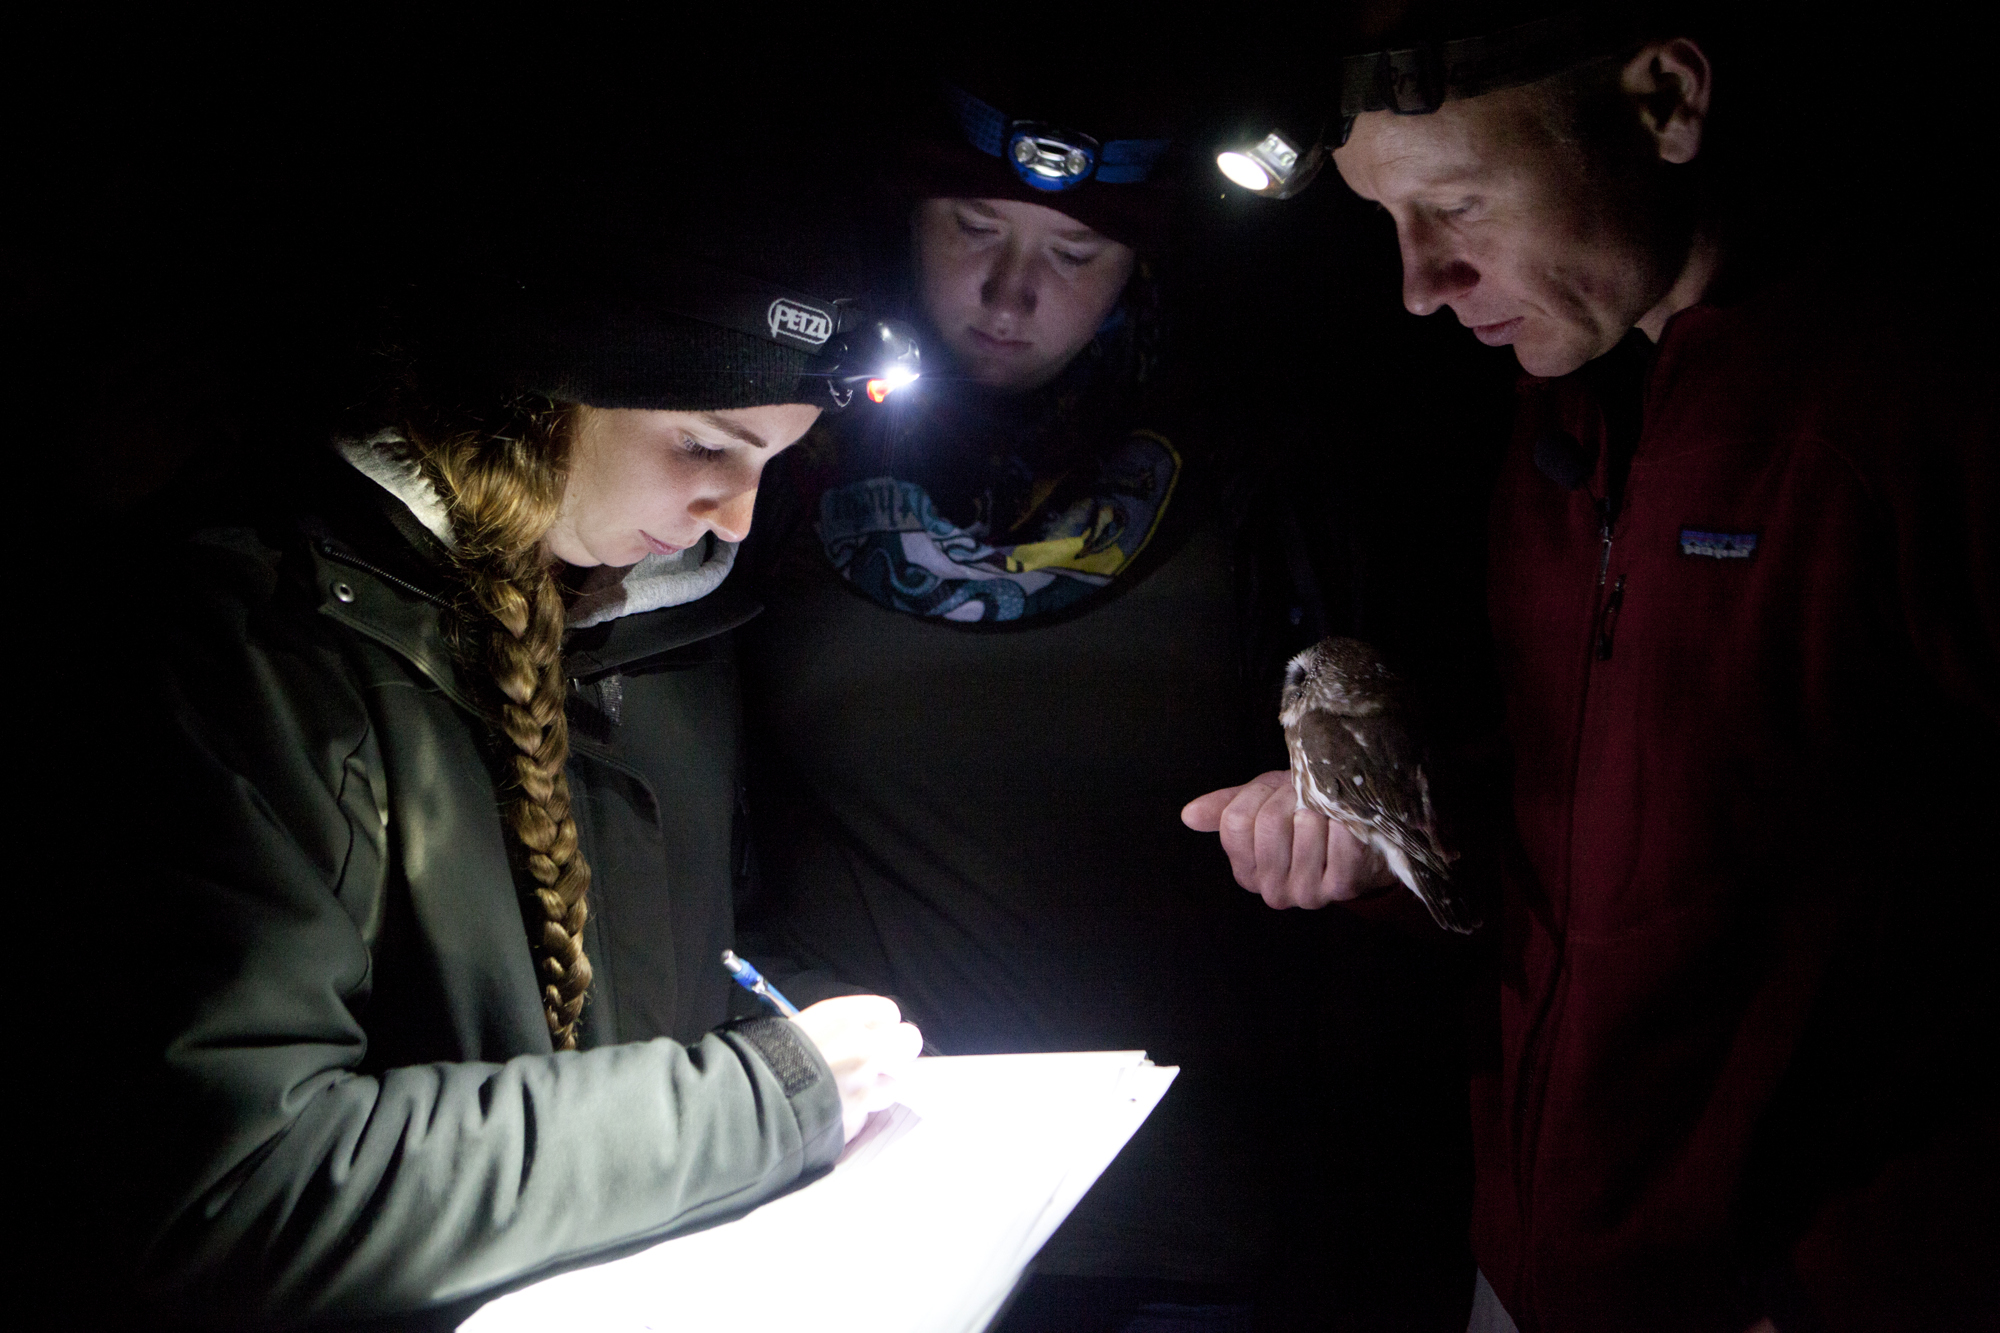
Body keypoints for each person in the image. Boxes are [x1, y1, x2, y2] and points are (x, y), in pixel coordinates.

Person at [1187, 8, 1999, 1331]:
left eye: (1456, 204)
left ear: (1665, 102)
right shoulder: (1564, 424)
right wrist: (1385, 843)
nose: (1418, 281)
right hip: (1539, 1271)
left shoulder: (1912, 407)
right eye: (1389, 222)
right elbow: (1607, 842)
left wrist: (1876, 1273)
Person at [76, 218, 926, 1330]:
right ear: (542, 400)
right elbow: (240, 1189)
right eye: (708, 447)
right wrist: (759, 1097)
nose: (736, 515)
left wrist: (816, 1026)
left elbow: (700, 955)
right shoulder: (258, 650)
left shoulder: (668, 634)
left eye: (774, 461)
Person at [732, 71, 1476, 1332]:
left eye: (1073, 250)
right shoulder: (757, 470)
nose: (1009, 293)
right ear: (900, 221)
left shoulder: (1254, 492)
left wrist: (1332, 833)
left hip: (1183, 1225)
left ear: (1138, 272)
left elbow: (1424, 841)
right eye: (972, 228)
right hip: (859, 1212)